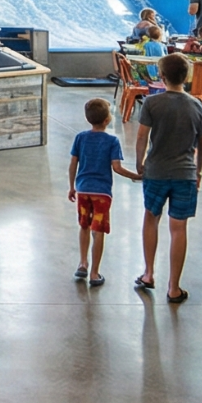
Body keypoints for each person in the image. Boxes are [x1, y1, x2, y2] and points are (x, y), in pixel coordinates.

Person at [132, 53, 202, 303]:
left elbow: (142, 137)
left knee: (150, 219)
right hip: (185, 174)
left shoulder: (152, 104)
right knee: (178, 228)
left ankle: (148, 273)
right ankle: (174, 287)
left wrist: (139, 162)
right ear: (186, 77)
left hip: (155, 171)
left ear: (161, 76)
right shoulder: (197, 105)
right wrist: (198, 170)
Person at [68, 97, 140, 286]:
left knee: (84, 226)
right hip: (102, 193)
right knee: (98, 231)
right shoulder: (112, 141)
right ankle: (94, 273)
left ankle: (82, 263)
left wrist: (72, 186)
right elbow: (117, 168)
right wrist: (138, 176)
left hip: (83, 190)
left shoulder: (80, 138)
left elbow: (73, 164)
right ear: (107, 120)